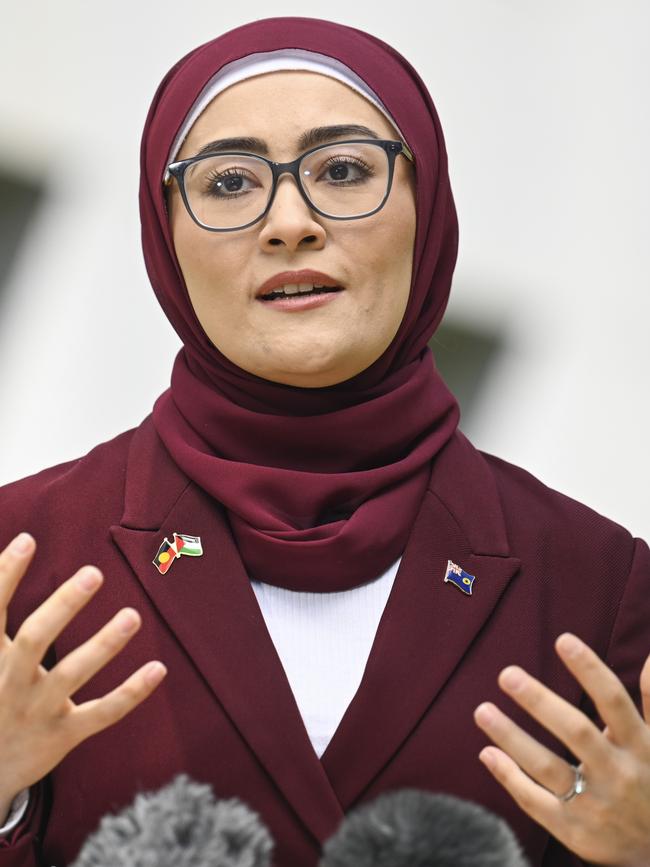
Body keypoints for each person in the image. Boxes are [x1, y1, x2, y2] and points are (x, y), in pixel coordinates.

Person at [0, 15, 648, 867]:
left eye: (343, 170)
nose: (290, 223)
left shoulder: (594, 582)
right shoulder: (28, 553)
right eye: (229, 183)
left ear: (430, 204)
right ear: (163, 235)